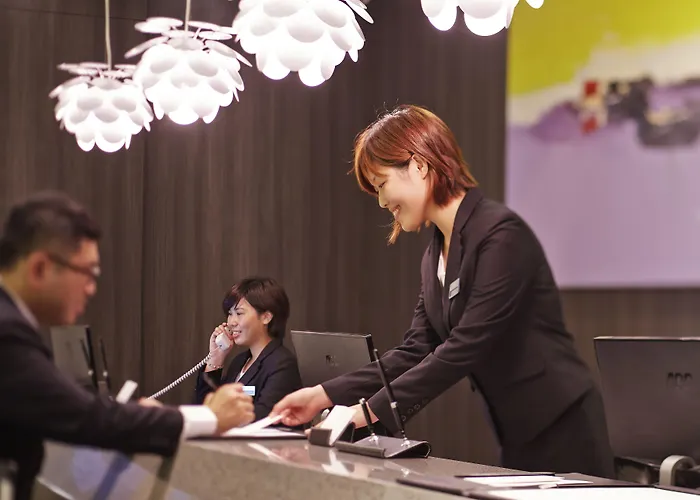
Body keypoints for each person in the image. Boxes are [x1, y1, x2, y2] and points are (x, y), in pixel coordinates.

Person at [272, 105, 615, 478]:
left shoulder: (501, 235)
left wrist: (369, 412)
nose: (382, 202)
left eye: (381, 184)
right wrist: (324, 394)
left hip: (565, 425)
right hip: (516, 429)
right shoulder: (435, 255)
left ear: (419, 165)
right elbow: (415, 350)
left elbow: (465, 346)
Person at [0, 191, 255, 500]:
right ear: (40, 268)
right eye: (88, 273)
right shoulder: (7, 332)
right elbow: (85, 417)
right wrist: (210, 417)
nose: (91, 289)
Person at [194, 276, 302, 421]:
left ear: (266, 317)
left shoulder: (282, 364)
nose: (231, 322)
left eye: (239, 313)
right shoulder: (239, 362)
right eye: (230, 314)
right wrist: (215, 360)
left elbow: (264, 417)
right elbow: (205, 412)